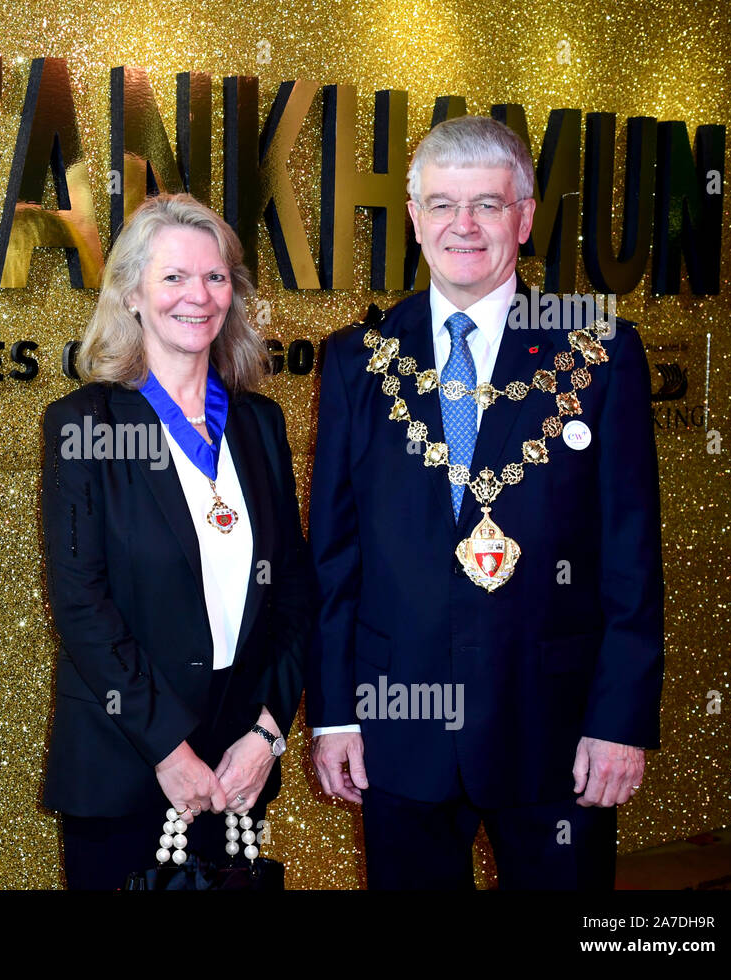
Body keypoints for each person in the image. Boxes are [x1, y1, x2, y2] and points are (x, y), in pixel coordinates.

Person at [307, 115, 664, 889]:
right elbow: (334, 562)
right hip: (399, 729)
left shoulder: (597, 352)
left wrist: (620, 722)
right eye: (441, 204)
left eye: (487, 205)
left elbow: (632, 556)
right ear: (414, 217)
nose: (461, 226)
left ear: (525, 216)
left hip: (556, 731)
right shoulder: (356, 360)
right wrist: (334, 714)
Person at [39, 193, 313, 890]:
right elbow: (81, 606)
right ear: (131, 293)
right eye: (174, 278)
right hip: (125, 762)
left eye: (216, 277)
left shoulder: (259, 425)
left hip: (237, 767)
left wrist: (266, 735)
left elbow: (296, 598)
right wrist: (168, 748)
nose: (199, 296)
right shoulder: (84, 423)